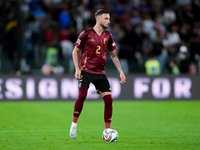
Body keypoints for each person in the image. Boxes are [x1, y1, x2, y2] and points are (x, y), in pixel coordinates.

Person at [69, 9, 126, 139]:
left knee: (109, 99)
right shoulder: (86, 34)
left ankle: (107, 130)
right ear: (98, 19)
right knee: (82, 95)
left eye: (109, 19)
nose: (108, 21)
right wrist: (77, 69)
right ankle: (74, 125)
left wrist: (121, 72)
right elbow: (75, 52)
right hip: (86, 70)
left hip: (100, 72)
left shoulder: (108, 36)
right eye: (106, 18)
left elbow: (114, 55)